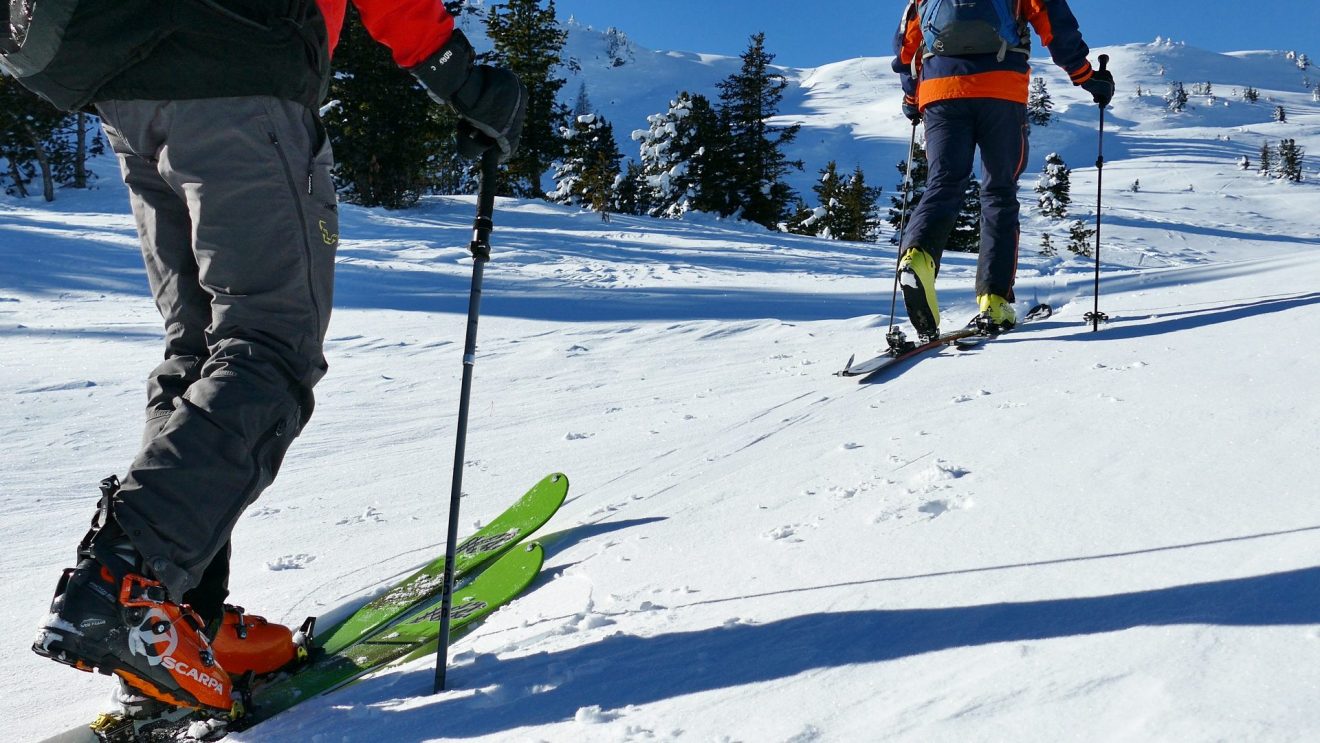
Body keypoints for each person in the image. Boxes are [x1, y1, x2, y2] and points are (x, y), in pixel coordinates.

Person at [29, 0, 527, 718]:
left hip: (124, 77)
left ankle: (178, 620)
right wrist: (459, 75)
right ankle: (128, 589)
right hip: (237, 55)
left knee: (202, 350)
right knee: (268, 343)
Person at [892, 0, 1113, 340]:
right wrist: (1084, 75)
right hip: (1001, 88)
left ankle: (918, 256)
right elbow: (1051, 19)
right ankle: (994, 300)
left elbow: (907, 43)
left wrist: (911, 97)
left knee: (944, 182)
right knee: (998, 191)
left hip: (940, 91)